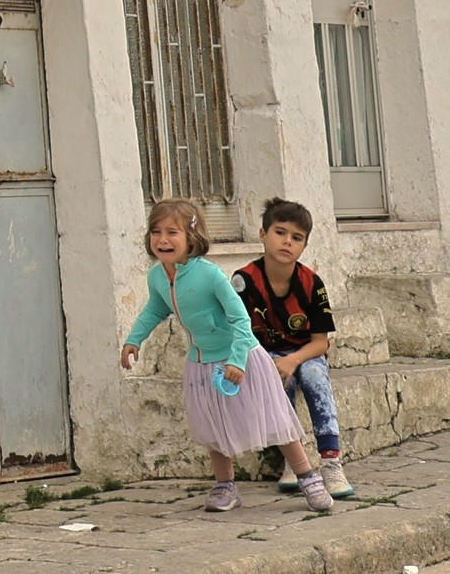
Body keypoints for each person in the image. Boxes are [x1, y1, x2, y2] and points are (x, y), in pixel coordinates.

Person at [122, 196, 333, 515]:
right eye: (156, 232)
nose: (163, 240)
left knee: (276, 418)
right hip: (201, 361)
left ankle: (307, 476)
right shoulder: (157, 276)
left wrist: (237, 360)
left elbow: (240, 319)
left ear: (192, 238)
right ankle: (225, 487)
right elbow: (156, 308)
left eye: (172, 232)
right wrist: (133, 339)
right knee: (212, 425)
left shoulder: (209, 275)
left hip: (242, 356)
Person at [237, 198, 355, 499]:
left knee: (315, 377)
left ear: (304, 245)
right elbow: (237, 330)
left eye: (297, 238)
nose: (287, 242)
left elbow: (321, 341)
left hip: (305, 351)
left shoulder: (311, 283)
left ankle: (331, 462)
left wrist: (294, 360)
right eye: (280, 232)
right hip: (262, 354)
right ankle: (295, 461)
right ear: (263, 234)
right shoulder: (244, 281)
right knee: (278, 378)